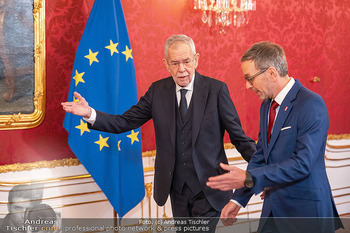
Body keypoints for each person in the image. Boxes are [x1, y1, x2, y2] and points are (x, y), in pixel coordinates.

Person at [62, 34, 256, 232]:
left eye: (187, 61)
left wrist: (263, 171)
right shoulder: (157, 91)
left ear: (196, 59)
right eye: (175, 63)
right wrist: (90, 113)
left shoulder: (216, 90)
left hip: (210, 189)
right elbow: (124, 121)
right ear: (166, 64)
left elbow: (238, 137)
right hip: (176, 190)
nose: (182, 69)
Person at [206, 41, 344, 233]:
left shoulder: (311, 103)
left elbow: (302, 163)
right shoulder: (266, 106)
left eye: (250, 78)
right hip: (273, 210)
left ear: (271, 73)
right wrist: (238, 200)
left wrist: (249, 177)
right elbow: (261, 156)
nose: (247, 86)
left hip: (305, 212)